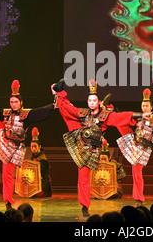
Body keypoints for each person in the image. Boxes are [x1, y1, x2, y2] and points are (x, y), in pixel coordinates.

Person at [51, 78, 147, 217]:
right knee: (83, 178)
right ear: (87, 102)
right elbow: (69, 109)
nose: (91, 103)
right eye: (89, 101)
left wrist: (138, 115)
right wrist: (60, 93)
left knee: (87, 178)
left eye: (94, 101)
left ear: (98, 102)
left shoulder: (104, 116)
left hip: (93, 149)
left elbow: (119, 117)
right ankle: (84, 206)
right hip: (81, 146)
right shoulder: (83, 113)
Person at [0, 79, 56, 209]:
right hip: (4, 138)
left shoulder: (27, 115)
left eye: (16, 102)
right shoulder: (6, 113)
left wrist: (55, 104)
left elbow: (42, 112)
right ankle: (8, 201)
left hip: (15, 147)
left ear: (21, 103)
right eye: (11, 102)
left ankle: (8, 199)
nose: (13, 104)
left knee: (9, 173)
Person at [30, 127, 52, 197]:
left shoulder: (42, 159)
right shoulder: (32, 157)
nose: (33, 149)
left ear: (39, 146)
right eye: (32, 147)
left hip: (42, 184)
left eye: (35, 146)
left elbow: (42, 174)